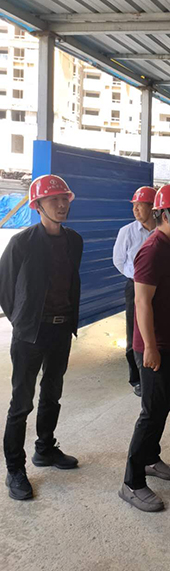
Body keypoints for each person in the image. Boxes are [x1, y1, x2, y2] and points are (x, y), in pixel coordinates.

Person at [0, 174, 83, 501]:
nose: (61, 205)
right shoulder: (21, 243)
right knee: (21, 402)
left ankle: (45, 448)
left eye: (64, 199)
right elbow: (6, 289)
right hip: (30, 333)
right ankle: (14, 469)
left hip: (61, 330)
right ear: (37, 205)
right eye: (53, 200)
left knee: (52, 393)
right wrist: (23, 320)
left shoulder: (74, 240)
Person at [119, 184, 170, 513]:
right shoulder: (152, 250)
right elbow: (142, 302)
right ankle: (131, 482)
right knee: (151, 413)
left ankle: (150, 458)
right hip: (156, 349)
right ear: (165, 214)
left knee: (163, 406)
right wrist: (149, 346)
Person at [113, 186, 156, 397]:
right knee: (134, 333)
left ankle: (155, 373)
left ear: (153, 208)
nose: (136, 210)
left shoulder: (162, 230)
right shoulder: (127, 232)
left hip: (159, 288)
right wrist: (137, 278)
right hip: (135, 287)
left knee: (157, 330)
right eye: (134, 206)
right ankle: (136, 378)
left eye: (140, 205)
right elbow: (119, 260)